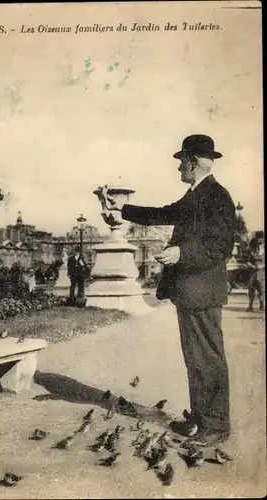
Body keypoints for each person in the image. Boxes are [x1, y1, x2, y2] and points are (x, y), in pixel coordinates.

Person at [102, 134, 236, 447]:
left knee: (207, 359)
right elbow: (164, 213)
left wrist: (181, 253)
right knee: (196, 359)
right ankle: (203, 419)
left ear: (195, 162)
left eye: (182, 161)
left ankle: (215, 427)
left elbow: (221, 245)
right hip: (191, 290)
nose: (179, 167)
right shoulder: (196, 194)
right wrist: (124, 209)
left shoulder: (217, 195)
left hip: (202, 292)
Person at [246, 237, 264, 312]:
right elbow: (247, 262)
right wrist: (253, 266)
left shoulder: (263, 253)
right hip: (252, 273)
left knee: (261, 291)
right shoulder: (250, 252)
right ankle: (250, 306)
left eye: (260, 244)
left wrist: (261, 266)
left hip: (261, 273)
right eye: (258, 244)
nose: (259, 245)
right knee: (251, 290)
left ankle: (262, 305)